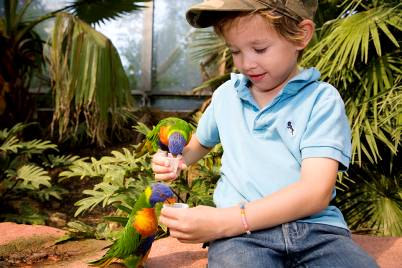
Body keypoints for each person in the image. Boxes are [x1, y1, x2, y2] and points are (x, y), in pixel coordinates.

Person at [151, 0, 378, 267]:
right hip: (240, 238)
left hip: (316, 231)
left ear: (301, 35)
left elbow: (316, 191)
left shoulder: (321, 100)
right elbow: (199, 143)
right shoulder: (226, 96)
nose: (247, 63)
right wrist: (177, 161)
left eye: (260, 48)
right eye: (235, 51)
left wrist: (225, 221)